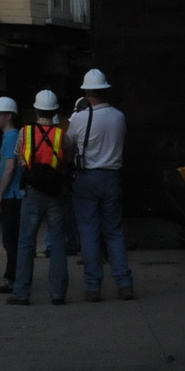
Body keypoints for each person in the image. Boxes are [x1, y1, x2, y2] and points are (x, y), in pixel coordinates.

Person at [64, 68, 134, 301]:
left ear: (86, 92)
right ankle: (124, 283)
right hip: (112, 177)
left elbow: (69, 148)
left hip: (87, 178)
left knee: (89, 232)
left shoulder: (80, 118)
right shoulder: (119, 116)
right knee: (114, 232)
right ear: (105, 90)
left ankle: (93, 287)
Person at [8, 89, 69, 306]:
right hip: (54, 193)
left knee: (26, 242)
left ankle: (22, 293)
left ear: (35, 111)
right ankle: (58, 293)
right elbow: (66, 159)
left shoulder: (25, 133)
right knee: (58, 242)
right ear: (54, 112)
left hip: (33, 192)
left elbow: (19, 159)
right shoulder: (62, 135)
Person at [0, 96, 23, 294]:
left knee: (11, 240)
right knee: (12, 240)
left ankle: (12, 279)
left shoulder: (11, 137)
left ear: (9, 116)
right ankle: (15, 277)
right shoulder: (10, 136)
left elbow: (10, 167)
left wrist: (0, 194)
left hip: (13, 196)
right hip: (15, 195)